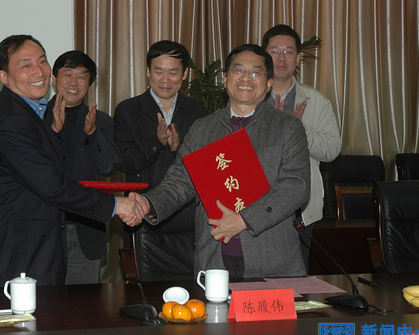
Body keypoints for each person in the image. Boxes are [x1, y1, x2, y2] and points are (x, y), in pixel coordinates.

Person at [128, 44, 310, 279]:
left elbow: (295, 186)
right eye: (238, 70)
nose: (246, 78)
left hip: (271, 258)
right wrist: (147, 203)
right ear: (225, 79)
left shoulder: (287, 127)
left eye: (255, 72)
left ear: (268, 83)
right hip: (214, 258)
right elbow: (180, 183)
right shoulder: (203, 129)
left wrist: (244, 220)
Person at [0, 35, 141, 287]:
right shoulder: (13, 120)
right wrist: (116, 205)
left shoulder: (28, 112)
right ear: (3, 76)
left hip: (42, 244)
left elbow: (103, 165)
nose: (38, 71)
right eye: (26, 65)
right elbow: (52, 184)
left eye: (42, 61)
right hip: (22, 251)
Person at [113, 40, 208, 250]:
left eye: (173, 72)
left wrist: (177, 150)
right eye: (159, 71)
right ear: (148, 71)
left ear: (185, 74)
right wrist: (156, 143)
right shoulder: (128, 110)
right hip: (141, 214)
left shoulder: (199, 113)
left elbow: (205, 170)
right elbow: (125, 163)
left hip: (187, 218)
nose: (165, 80)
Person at [261, 25, 341, 267]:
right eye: (275, 51)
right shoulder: (249, 97)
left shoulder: (316, 101)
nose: (281, 58)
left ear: (297, 58)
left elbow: (331, 150)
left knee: (297, 280)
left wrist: (299, 129)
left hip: (300, 210)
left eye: (288, 52)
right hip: (255, 206)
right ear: (264, 55)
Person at [43, 50, 121, 284]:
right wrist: (53, 131)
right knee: (44, 302)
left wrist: (92, 133)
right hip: (44, 230)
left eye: (81, 76)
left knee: (83, 303)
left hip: (85, 229)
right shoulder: (36, 118)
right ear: (54, 78)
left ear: (90, 83)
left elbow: (109, 167)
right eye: (68, 74)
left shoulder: (101, 121)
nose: (73, 82)